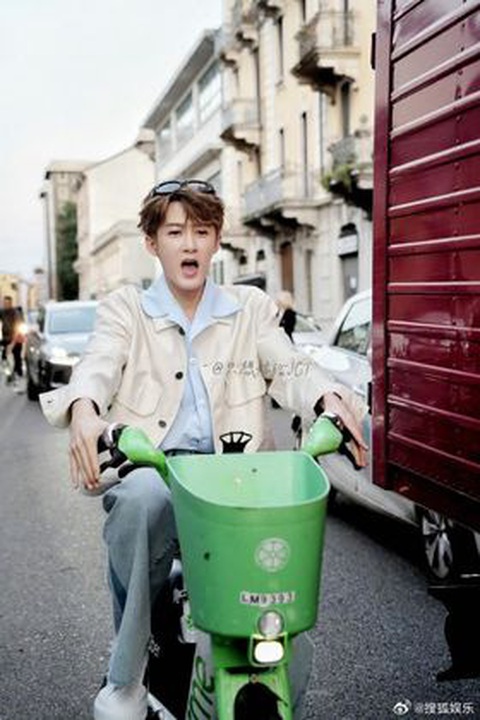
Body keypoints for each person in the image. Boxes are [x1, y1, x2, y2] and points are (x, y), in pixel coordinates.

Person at [40, 179, 368, 720]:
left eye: (201, 231)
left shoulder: (250, 308)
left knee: (284, 558)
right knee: (142, 497)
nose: (189, 244)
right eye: (175, 232)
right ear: (152, 243)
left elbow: (290, 366)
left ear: (217, 240)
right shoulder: (126, 309)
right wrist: (84, 409)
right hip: (159, 474)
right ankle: (126, 677)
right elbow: (97, 365)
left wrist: (328, 397)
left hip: (237, 487)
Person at [1, 296, 25, 390]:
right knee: (4, 359)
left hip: (16, 339)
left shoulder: (16, 313)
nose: (6, 305)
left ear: (11, 303)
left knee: (17, 358)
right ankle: (9, 374)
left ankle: (18, 378)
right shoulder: (2, 312)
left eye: (7, 303)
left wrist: (12, 344)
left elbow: (17, 329)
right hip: (6, 338)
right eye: (4, 303)